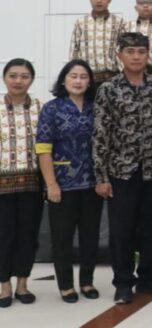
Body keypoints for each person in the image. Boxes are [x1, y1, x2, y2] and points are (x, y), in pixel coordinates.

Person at [92, 32, 152, 304]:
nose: (136, 57)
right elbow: (100, 134)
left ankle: (151, 278)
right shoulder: (108, 88)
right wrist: (101, 176)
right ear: (120, 55)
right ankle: (123, 282)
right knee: (122, 230)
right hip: (121, 171)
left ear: (148, 55)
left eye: (141, 52)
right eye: (130, 52)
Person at [36, 60, 103, 303]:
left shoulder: (96, 107)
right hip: (62, 184)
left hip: (93, 183)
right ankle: (65, 285)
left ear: (90, 82)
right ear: (64, 80)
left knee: (90, 237)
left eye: (83, 76)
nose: (78, 81)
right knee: (62, 238)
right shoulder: (52, 109)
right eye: (73, 76)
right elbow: (43, 148)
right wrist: (51, 184)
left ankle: (87, 281)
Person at [0, 59, 43, 307]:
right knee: (3, 236)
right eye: (13, 75)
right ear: (4, 78)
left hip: (31, 185)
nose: (18, 81)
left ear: (31, 80)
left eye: (24, 76)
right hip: (1, 187)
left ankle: (23, 284)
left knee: (28, 235)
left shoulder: (40, 108)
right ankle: (4, 285)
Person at [69, 0, 125, 85]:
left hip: (113, 78)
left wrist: (124, 75)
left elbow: (123, 50)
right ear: (90, 0)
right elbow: (74, 50)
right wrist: (74, 74)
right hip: (87, 79)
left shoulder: (119, 22)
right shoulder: (81, 22)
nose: (99, 1)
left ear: (109, 0)